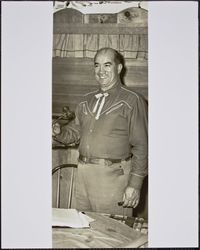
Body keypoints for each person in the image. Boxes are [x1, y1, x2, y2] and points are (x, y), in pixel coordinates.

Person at [53, 47, 148, 216]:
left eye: (107, 65)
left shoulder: (133, 100)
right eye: (97, 65)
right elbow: (75, 133)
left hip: (113, 178)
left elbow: (142, 146)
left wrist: (135, 184)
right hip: (83, 176)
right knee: (87, 232)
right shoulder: (85, 100)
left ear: (119, 68)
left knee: (114, 236)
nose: (101, 71)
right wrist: (59, 132)